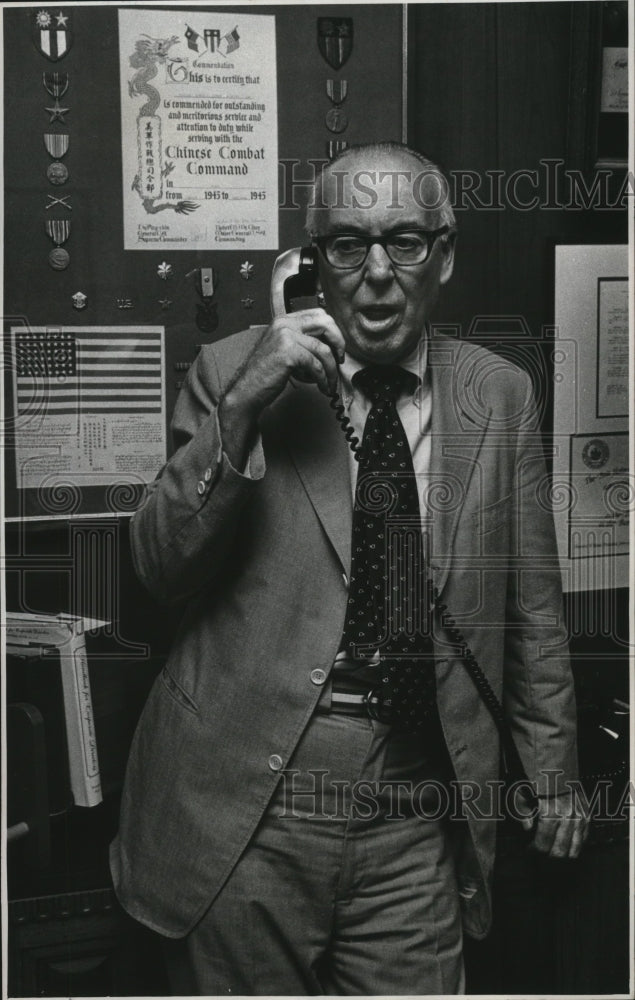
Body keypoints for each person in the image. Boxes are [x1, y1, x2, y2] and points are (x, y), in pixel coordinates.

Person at [110, 141, 587, 995]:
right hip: (249, 801)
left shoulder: (500, 394)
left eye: (404, 241)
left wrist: (551, 775)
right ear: (310, 262)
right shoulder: (231, 373)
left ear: (442, 256)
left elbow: (533, 609)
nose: (375, 271)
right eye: (346, 243)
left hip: (416, 804)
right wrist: (246, 405)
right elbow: (158, 568)